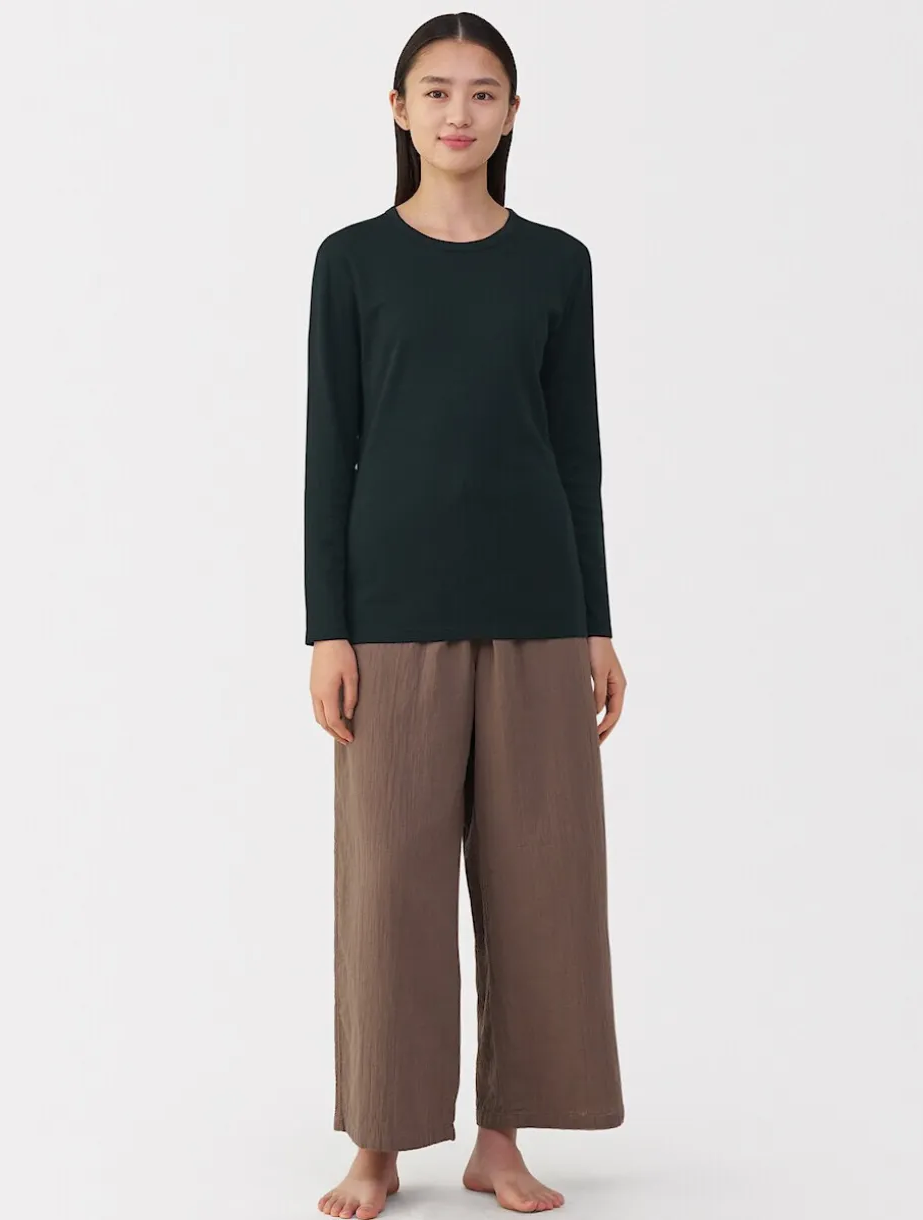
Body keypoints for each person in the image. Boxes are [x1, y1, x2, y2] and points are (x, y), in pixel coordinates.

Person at [304, 14, 627, 1219]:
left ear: (511, 113)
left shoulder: (556, 263)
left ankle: (499, 1140)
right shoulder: (351, 261)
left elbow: (576, 453)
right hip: (390, 616)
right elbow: (328, 450)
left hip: (538, 609)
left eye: (482, 92)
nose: (458, 112)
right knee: (389, 889)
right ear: (397, 109)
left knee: (541, 881)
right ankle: (378, 1144)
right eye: (435, 91)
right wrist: (325, 628)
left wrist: (595, 619)